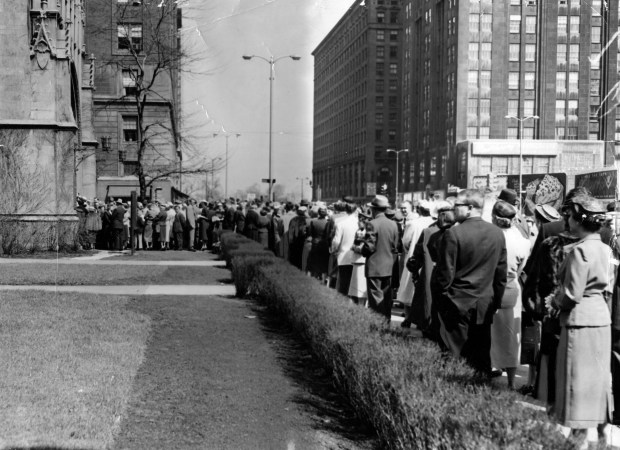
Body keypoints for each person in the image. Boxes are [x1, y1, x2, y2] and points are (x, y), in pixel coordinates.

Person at [547, 195, 611, 447]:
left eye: (570, 216)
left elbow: (572, 293)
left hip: (580, 320)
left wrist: (554, 301)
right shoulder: (604, 249)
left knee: (575, 378)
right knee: (596, 378)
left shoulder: (580, 251)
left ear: (579, 220)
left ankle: (578, 435)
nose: (567, 220)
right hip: (600, 318)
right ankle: (597, 431)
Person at [436, 189, 507, 375]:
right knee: (480, 356)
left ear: (469, 208)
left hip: (457, 303)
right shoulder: (497, 233)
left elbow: (445, 274)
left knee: (453, 357)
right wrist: (496, 301)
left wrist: (444, 298)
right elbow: (501, 274)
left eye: (456, 206)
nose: (453, 209)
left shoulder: (454, 234)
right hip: (484, 303)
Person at [489, 200, 531, 389]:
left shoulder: (491, 237)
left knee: (490, 332)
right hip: (512, 286)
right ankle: (512, 381)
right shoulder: (523, 241)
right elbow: (521, 268)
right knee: (512, 333)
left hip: (491, 287)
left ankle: (490, 368)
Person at [361, 195, 399, 322]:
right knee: (387, 298)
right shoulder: (393, 224)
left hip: (374, 267)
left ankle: (378, 326)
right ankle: (386, 324)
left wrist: (360, 249)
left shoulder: (371, 224)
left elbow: (369, 247)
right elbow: (395, 246)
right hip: (388, 266)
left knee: (375, 299)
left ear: (374, 209)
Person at [330, 202, 358, 295]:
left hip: (343, 257)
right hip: (357, 257)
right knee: (355, 284)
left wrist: (333, 250)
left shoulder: (340, 224)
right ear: (356, 210)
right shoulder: (359, 223)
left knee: (344, 283)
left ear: (345, 210)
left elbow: (336, 241)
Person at [307, 206, 330, 281]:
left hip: (315, 243)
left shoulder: (313, 221)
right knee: (323, 263)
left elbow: (310, 233)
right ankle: (322, 278)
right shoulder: (327, 222)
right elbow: (327, 235)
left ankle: (315, 277)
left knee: (315, 262)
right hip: (324, 244)